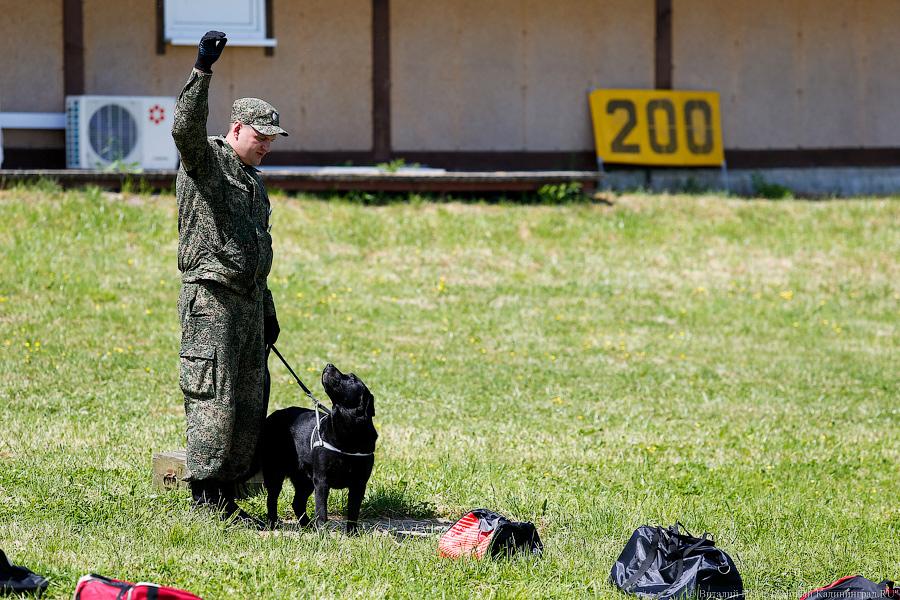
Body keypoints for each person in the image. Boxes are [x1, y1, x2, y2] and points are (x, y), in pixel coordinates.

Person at [171, 30, 287, 523]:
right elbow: (184, 129)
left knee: (248, 398)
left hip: (247, 302)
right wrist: (202, 69)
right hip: (212, 300)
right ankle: (206, 497)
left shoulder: (254, 183)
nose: (266, 147)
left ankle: (230, 493)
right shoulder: (208, 162)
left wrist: (267, 310)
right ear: (237, 129)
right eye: (260, 137)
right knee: (213, 397)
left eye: (272, 140)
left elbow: (258, 253)